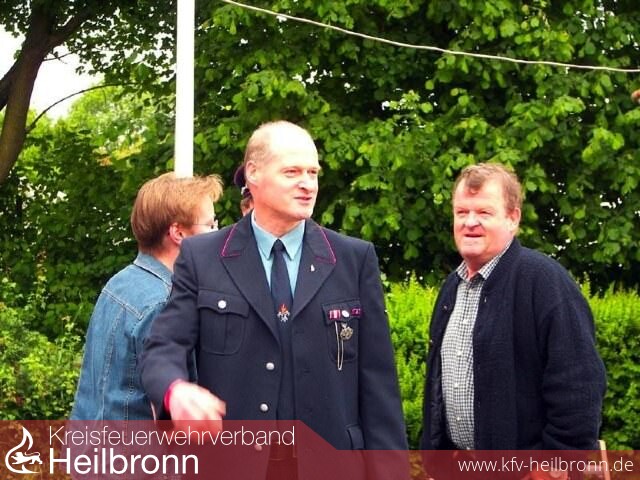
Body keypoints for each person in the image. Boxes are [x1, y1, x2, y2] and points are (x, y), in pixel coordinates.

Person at [140, 121, 407, 478]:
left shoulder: (352, 260)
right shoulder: (203, 257)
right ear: (253, 173)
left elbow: (379, 386)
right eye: (292, 172)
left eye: (313, 172)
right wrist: (175, 390)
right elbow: (164, 346)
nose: (308, 184)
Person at [421, 163, 606, 451]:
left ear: (512, 218)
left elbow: (579, 387)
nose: (470, 222)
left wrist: (552, 465)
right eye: (462, 212)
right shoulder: (451, 288)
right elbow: (437, 391)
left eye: (484, 212)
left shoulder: (544, 281)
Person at [70, 172, 224, 420]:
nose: (218, 232)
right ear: (178, 233)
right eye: (210, 225)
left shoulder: (118, 284)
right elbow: (171, 416)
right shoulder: (165, 303)